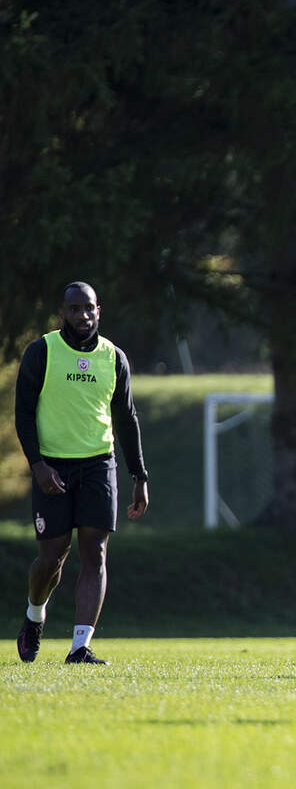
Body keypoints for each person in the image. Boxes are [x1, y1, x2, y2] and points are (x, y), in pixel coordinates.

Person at [14, 282, 150, 665]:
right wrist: (38, 466)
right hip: (52, 465)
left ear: (99, 311)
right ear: (64, 313)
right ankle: (34, 616)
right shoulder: (42, 352)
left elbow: (126, 418)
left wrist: (139, 475)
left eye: (88, 308)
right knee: (52, 558)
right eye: (74, 309)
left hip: (97, 464)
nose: (82, 316)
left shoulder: (114, 357)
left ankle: (80, 647)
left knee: (96, 553)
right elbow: (23, 414)